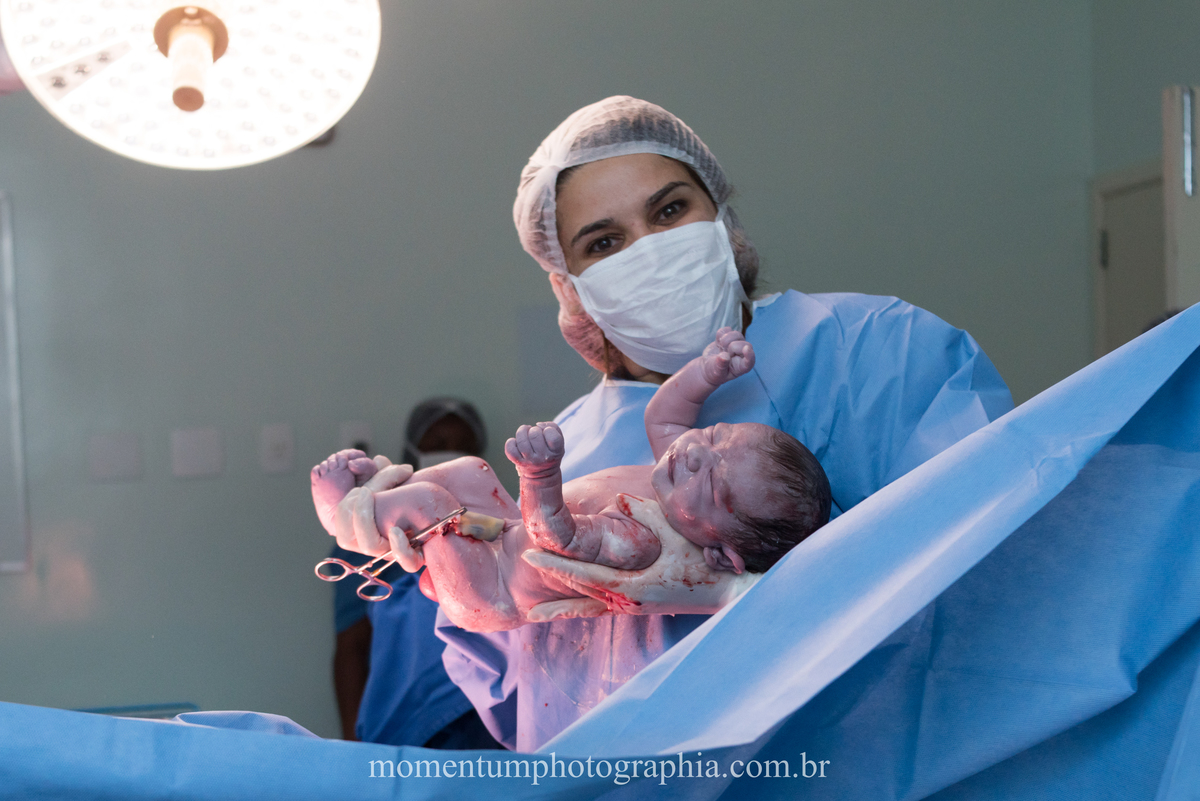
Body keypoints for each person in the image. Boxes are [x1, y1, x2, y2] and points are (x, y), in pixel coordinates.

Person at [325, 96, 1014, 751]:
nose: (648, 248)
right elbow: (515, 692)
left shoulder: (878, 347)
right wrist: (424, 541)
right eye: (603, 242)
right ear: (570, 287)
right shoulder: (571, 450)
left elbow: (993, 551)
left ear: (722, 218)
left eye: (670, 209)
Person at [322, 398, 504, 749]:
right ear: (412, 450)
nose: (448, 453)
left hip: (484, 711)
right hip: (413, 716)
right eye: (436, 445)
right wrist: (352, 744)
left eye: (461, 446)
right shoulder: (369, 538)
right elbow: (350, 647)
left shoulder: (497, 525)